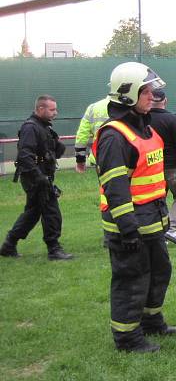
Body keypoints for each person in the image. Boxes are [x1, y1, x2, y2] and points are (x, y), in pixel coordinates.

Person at [94, 62, 176, 353]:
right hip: (128, 226)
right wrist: (128, 229)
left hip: (152, 220)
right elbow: (115, 189)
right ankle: (127, 338)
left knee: (159, 272)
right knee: (131, 280)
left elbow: (151, 179)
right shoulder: (114, 136)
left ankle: (151, 321)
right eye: (146, 91)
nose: (152, 96)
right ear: (128, 94)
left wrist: (164, 215)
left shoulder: (145, 128)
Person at [1, 95, 73, 260]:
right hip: (36, 177)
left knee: (33, 212)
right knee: (51, 211)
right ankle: (54, 249)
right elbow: (25, 155)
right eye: (52, 109)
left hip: (41, 175)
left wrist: (57, 147)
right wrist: (38, 177)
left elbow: (46, 151)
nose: (56, 113)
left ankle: (9, 244)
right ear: (40, 109)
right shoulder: (31, 127)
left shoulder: (43, 127)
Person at [149, 89, 176, 246]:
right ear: (165, 101)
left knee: (158, 200)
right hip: (174, 166)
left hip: (152, 167)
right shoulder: (173, 120)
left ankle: (160, 232)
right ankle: (172, 229)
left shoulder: (143, 120)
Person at [74, 97, 110, 173]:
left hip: (100, 156)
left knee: (105, 184)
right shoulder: (133, 106)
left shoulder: (93, 107)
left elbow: (82, 135)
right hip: (127, 156)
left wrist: (80, 160)